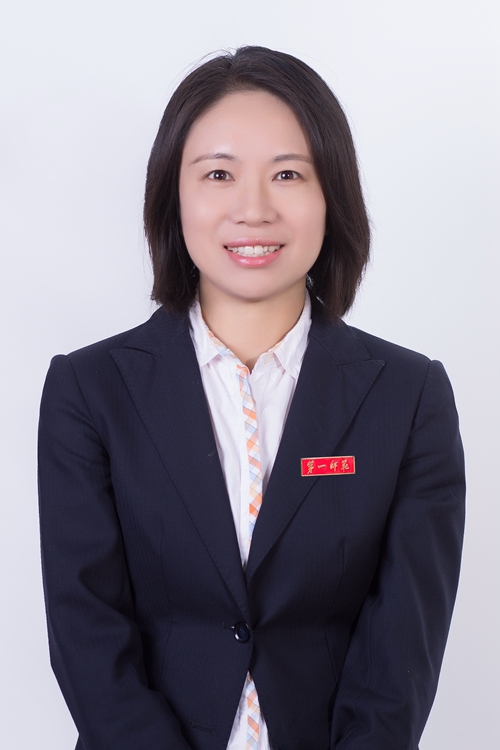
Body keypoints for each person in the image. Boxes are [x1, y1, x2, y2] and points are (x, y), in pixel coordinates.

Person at [38, 46, 465, 750]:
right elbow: (87, 635)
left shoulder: (409, 396)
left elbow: (402, 653)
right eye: (219, 174)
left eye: (288, 174)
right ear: (173, 196)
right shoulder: (90, 391)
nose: (254, 209)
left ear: (332, 196)